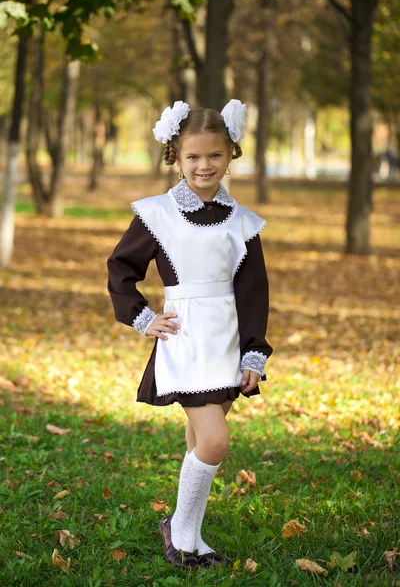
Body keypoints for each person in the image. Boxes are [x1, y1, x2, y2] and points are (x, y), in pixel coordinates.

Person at [106, 99, 273, 570]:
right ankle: (179, 536)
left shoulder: (243, 223)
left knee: (200, 440)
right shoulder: (157, 215)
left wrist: (253, 354)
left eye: (214, 155)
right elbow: (121, 269)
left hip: (228, 340)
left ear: (231, 154)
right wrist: (141, 316)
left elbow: (254, 292)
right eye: (193, 157)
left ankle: (190, 534)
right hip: (185, 339)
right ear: (176, 158)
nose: (204, 165)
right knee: (215, 441)